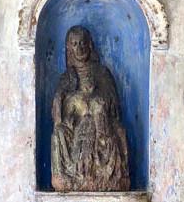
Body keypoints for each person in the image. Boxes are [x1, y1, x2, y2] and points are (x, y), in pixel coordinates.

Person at [51, 26, 130, 192]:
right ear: (69, 48)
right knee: (58, 134)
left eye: (82, 43)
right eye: (75, 44)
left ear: (89, 45)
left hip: (99, 121)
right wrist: (68, 100)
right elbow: (59, 106)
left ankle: (105, 175)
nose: (79, 48)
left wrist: (96, 99)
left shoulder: (102, 72)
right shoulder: (67, 77)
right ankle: (67, 176)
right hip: (74, 124)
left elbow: (113, 102)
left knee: (99, 109)